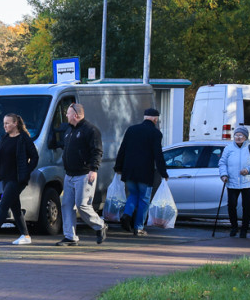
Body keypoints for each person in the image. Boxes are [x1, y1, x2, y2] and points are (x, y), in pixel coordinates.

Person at [0, 113, 39, 245]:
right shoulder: (4, 138)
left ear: (15, 123)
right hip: (5, 177)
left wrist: (26, 171)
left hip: (17, 179)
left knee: (4, 205)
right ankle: (26, 236)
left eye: (7, 123)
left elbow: (35, 157)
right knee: (15, 208)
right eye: (4, 123)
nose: (4, 126)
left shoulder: (24, 138)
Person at [56, 102, 107, 245]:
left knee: (82, 205)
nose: (66, 115)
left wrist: (93, 169)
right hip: (69, 174)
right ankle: (70, 237)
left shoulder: (90, 130)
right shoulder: (69, 130)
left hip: (84, 174)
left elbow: (97, 151)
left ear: (76, 115)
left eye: (68, 113)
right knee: (66, 205)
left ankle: (100, 225)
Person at [113, 107, 169, 236]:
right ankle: (138, 227)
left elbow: (122, 149)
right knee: (144, 199)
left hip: (129, 171)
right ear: (155, 119)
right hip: (145, 173)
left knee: (133, 195)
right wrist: (163, 172)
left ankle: (126, 215)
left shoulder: (131, 130)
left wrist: (118, 167)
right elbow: (158, 155)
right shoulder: (155, 133)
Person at [218, 125, 250, 238]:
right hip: (231, 182)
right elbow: (222, 163)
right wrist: (223, 175)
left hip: (248, 182)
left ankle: (244, 229)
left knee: (246, 206)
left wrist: (248, 170)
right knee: (231, 205)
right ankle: (234, 227)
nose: (238, 137)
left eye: (241, 135)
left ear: (245, 137)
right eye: (236, 135)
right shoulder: (228, 148)